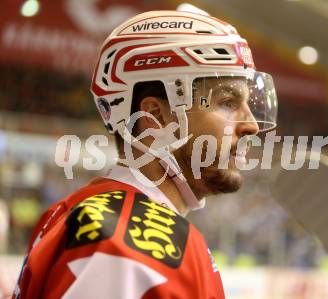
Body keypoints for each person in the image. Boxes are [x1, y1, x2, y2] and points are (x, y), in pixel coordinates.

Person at [13, 10, 277, 299]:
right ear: (156, 117)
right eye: (227, 102)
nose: (251, 125)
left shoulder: (91, 215)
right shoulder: (127, 243)